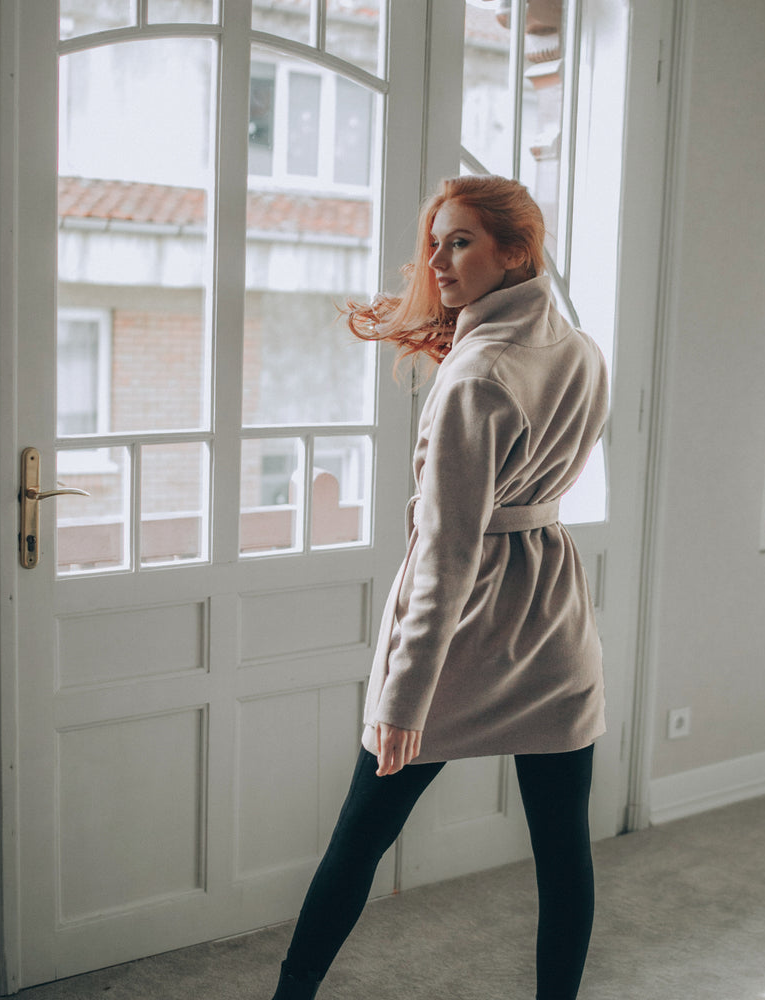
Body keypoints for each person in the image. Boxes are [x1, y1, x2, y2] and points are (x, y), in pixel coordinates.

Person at [271, 175, 609, 1000]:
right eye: (436, 241)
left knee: (358, 840)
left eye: (459, 241)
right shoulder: (581, 349)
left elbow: (446, 556)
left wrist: (402, 698)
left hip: (465, 632)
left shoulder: (478, 375)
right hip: (554, 615)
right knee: (565, 847)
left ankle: (290, 996)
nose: (438, 259)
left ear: (516, 252)